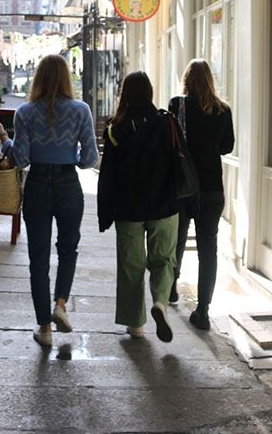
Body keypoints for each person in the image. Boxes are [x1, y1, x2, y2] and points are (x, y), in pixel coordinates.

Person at [0, 54, 98, 347]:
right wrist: (72, 152)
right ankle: (60, 305)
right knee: (68, 249)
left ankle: (44, 328)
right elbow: (90, 159)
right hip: (68, 184)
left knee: (38, 258)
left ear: (38, 78)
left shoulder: (26, 112)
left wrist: (2, 135)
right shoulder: (81, 111)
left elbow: (20, 158)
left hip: (38, 187)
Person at [97, 71, 178, 342]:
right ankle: (161, 303)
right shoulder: (166, 123)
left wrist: (104, 213)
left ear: (126, 95)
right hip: (164, 204)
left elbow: (107, 175)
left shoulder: (116, 129)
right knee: (163, 259)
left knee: (131, 266)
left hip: (128, 208)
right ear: (151, 93)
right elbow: (180, 162)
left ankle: (135, 324)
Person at [168, 59, 234, 331]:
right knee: (209, 250)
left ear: (187, 79)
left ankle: (171, 288)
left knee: (178, 240)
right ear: (210, 80)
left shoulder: (177, 105)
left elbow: (169, 143)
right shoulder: (223, 110)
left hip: (182, 187)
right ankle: (203, 310)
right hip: (212, 190)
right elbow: (227, 147)